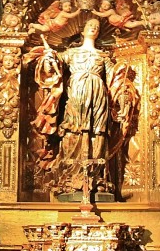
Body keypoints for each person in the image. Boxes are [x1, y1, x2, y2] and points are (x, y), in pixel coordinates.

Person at [35, 17, 115, 197]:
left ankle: (95, 176)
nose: (93, 28)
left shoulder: (103, 56)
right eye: (90, 25)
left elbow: (114, 79)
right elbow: (53, 68)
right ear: (82, 30)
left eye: (96, 27)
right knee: (74, 129)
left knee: (97, 131)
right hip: (76, 93)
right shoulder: (71, 53)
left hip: (97, 96)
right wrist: (49, 58)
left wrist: (124, 88)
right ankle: (71, 174)